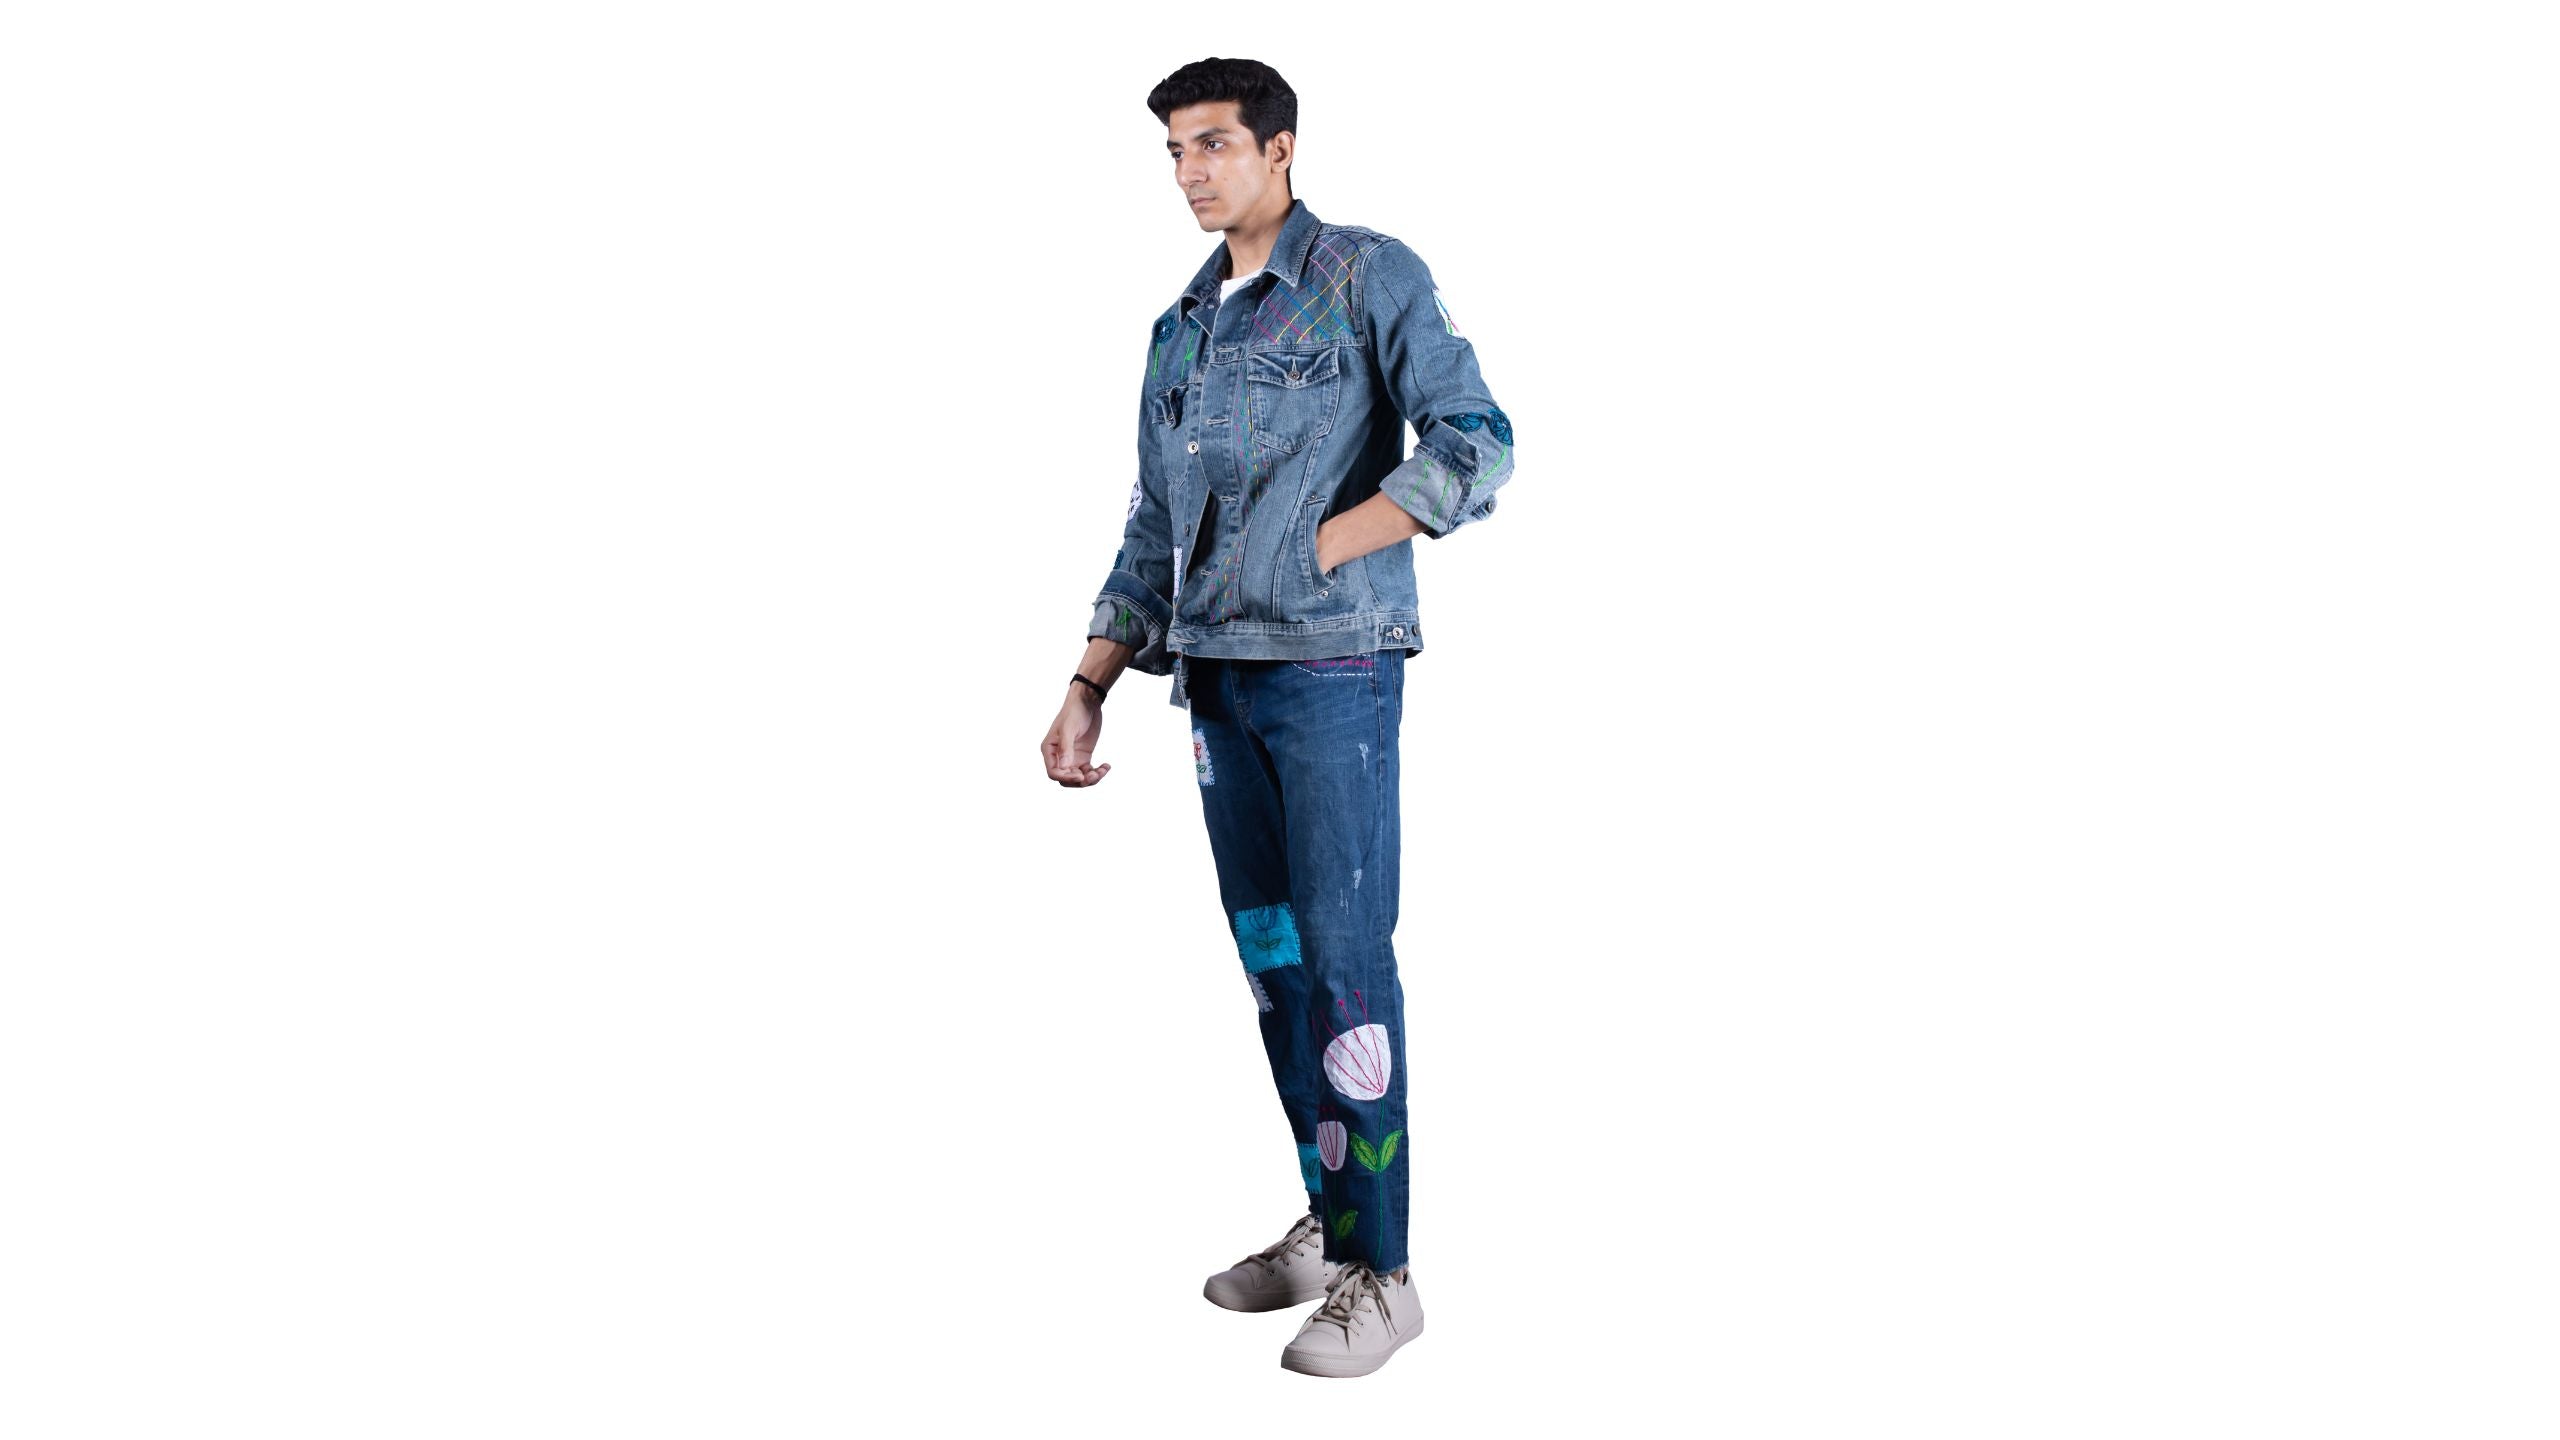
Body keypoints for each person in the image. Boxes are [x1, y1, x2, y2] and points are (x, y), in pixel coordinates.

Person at [1039, 56, 1514, 1379]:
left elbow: (1476, 438)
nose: (1189, 172)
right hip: (1213, 681)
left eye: (1212, 145)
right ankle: (1332, 1217)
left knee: (1350, 965)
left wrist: (1330, 543)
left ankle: (1387, 1273)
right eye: (1174, 152)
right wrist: (1088, 681)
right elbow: (1153, 522)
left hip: (1334, 670)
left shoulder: (1367, 275)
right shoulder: (1181, 330)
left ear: (1279, 148)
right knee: (1278, 967)